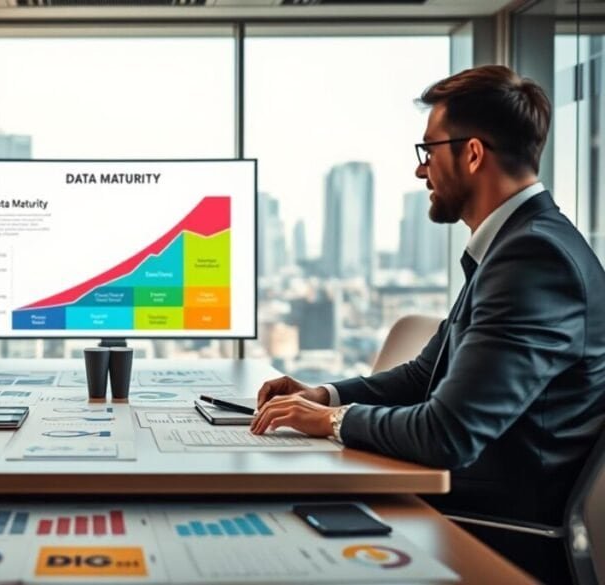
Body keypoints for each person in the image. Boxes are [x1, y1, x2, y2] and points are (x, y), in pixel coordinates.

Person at [251, 65, 605, 584]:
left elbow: (448, 434)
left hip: (492, 537)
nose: (421, 171)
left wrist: (331, 421)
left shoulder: (534, 258)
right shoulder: (517, 244)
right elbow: (424, 375)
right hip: (458, 508)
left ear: (473, 154)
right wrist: (323, 395)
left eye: (429, 151)